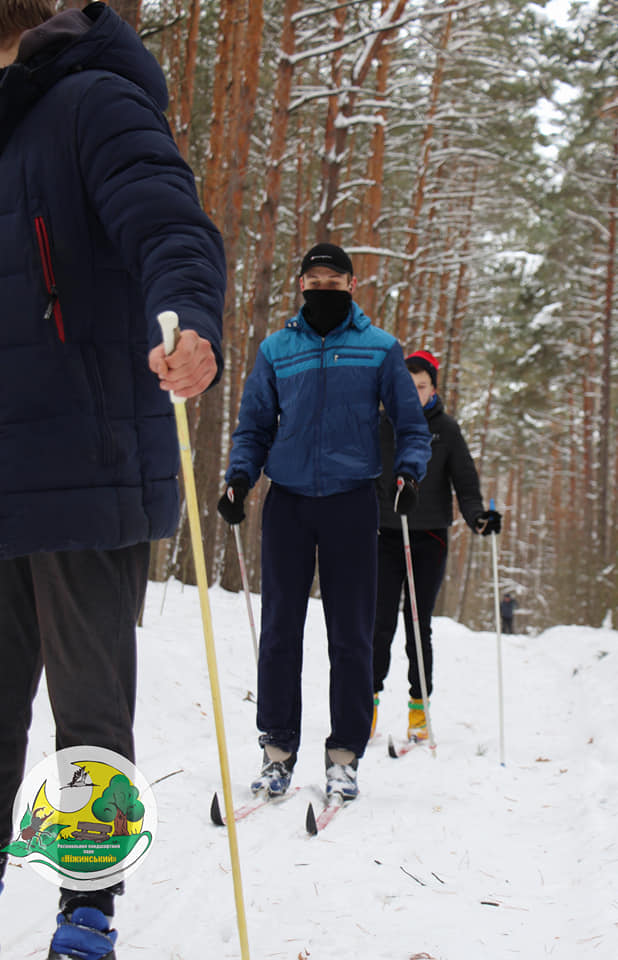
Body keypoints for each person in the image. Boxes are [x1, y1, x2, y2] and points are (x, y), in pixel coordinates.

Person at [0, 2, 226, 958]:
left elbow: (169, 220)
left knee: (88, 705)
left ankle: (85, 914)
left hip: (82, 464)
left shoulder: (94, 99)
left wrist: (187, 317)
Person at [217, 242, 432, 803]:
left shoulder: (380, 349)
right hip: (287, 501)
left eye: (333, 283)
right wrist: (240, 478)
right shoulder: (276, 349)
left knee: (352, 634)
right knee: (280, 631)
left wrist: (409, 475)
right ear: (301, 285)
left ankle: (343, 756)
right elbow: (254, 425)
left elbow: (411, 425)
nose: (323, 290)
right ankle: (277, 752)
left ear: (351, 287)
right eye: (314, 281)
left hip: (351, 501)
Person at [372, 350, 501, 741]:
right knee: (378, 623)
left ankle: (418, 707)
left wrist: (478, 517)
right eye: (407, 387)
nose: (414, 394)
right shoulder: (378, 425)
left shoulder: (445, 429)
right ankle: (367, 702)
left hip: (428, 536)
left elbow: (465, 482)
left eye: (422, 386)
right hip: (382, 532)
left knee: (417, 622)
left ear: (433, 388)